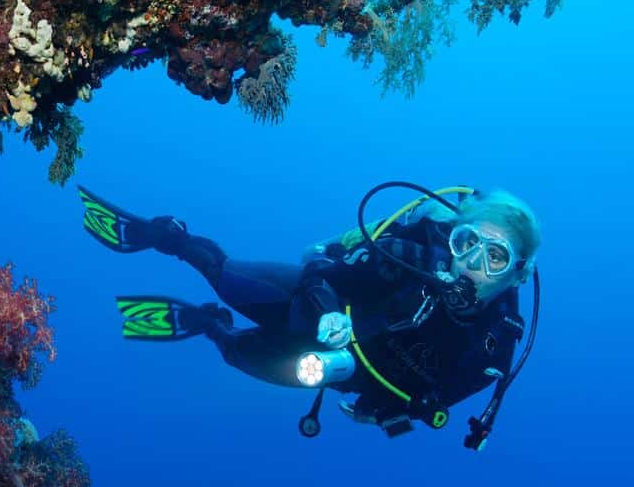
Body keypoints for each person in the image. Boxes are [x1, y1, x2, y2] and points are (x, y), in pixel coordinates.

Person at [79, 183, 541, 447]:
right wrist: (327, 314)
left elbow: (430, 403)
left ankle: (207, 323)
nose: (470, 264)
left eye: (495, 257)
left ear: (516, 276)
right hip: (304, 303)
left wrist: (381, 414)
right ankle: (166, 237)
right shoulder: (410, 256)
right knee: (226, 277)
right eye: (467, 243)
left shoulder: (492, 352)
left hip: (331, 369)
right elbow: (321, 269)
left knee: (236, 353)